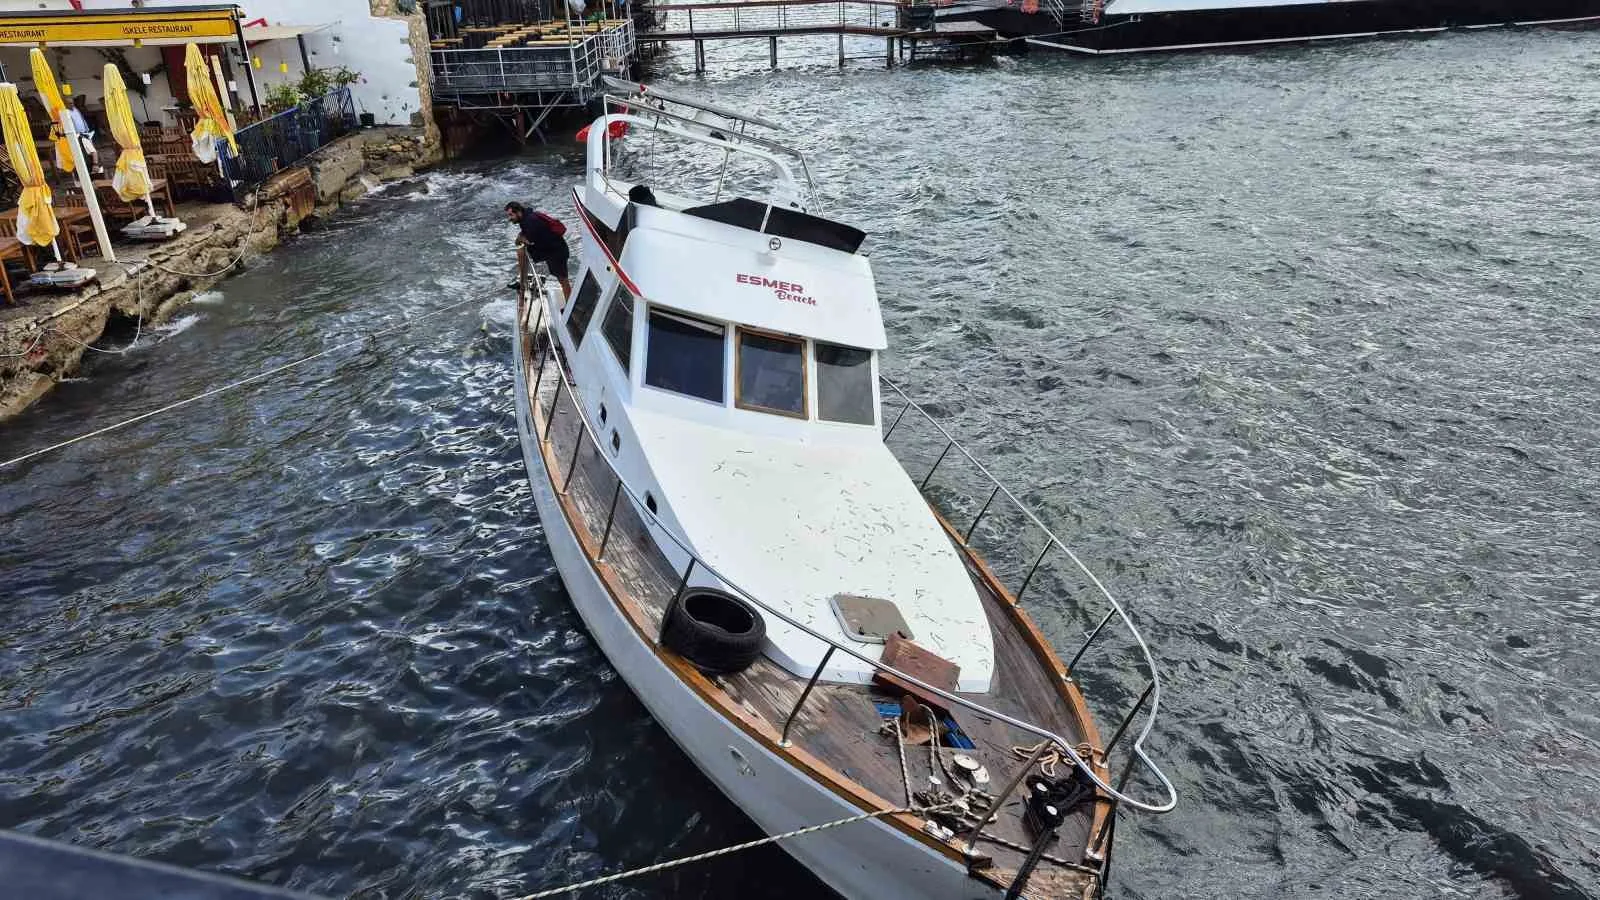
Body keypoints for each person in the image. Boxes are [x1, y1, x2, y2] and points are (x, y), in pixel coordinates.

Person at [505, 201, 571, 300]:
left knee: (563, 281)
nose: (509, 218)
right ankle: (522, 281)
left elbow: (530, 240)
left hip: (556, 253)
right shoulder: (527, 218)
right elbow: (527, 234)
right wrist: (521, 237)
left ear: (518, 212)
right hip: (553, 251)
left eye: (511, 215)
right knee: (562, 280)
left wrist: (520, 239)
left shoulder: (530, 221)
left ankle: (571, 309)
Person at [67, 96, 101, 175]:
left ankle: (95, 167)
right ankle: (93, 167)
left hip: (84, 133)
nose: (72, 104)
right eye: (69, 103)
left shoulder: (75, 109)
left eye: (72, 103)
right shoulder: (66, 112)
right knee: (89, 152)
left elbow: (82, 120)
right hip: (77, 135)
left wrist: (87, 130)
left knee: (91, 151)